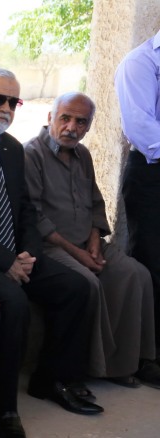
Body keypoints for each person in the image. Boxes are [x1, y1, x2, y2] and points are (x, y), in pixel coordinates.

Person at [0, 68, 99, 438]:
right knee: (13, 302)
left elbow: (25, 208)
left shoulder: (10, 148)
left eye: (13, 102)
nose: (6, 108)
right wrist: (6, 261)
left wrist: (27, 254)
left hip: (15, 255)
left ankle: (51, 379)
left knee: (75, 287)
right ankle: (4, 406)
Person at [25, 92, 160, 388]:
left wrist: (95, 241)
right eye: (65, 118)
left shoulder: (82, 155)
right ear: (50, 118)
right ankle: (97, 367)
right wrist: (79, 254)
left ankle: (132, 362)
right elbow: (34, 217)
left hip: (87, 242)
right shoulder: (31, 154)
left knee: (136, 274)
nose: (72, 127)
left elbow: (95, 203)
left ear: (88, 126)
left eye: (81, 122)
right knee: (87, 282)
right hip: (53, 247)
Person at [117, 29, 160, 371]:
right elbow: (143, 131)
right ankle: (147, 356)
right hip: (151, 174)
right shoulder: (140, 63)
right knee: (152, 262)